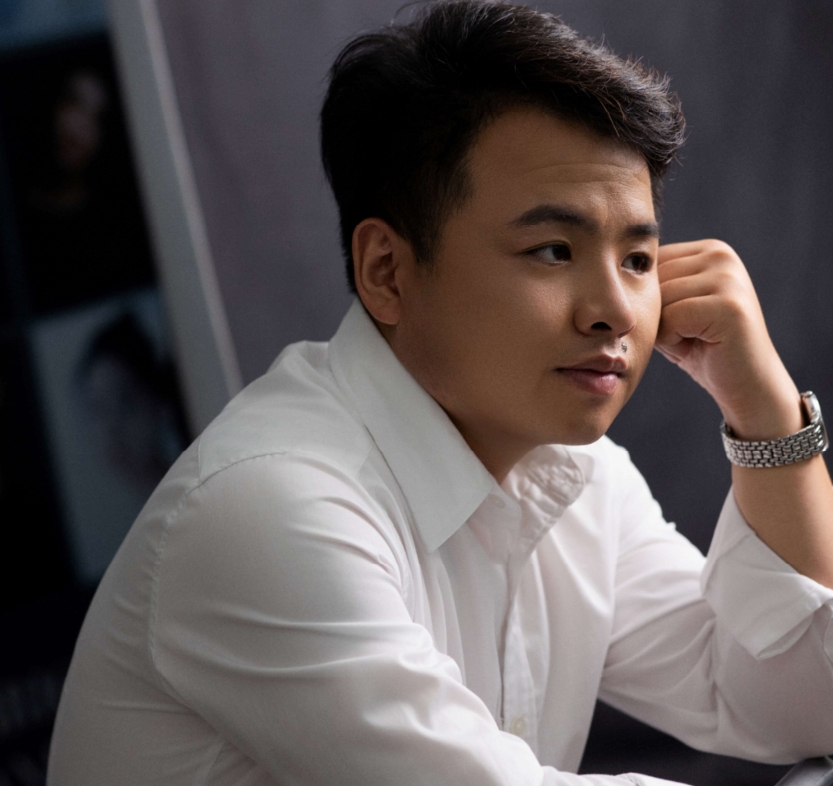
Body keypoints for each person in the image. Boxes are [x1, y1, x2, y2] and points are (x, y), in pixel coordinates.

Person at [47, 2, 833, 785]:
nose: (614, 311)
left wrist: (766, 415)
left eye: (635, 259)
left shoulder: (571, 477)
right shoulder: (267, 506)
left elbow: (806, 705)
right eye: (552, 250)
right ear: (386, 271)